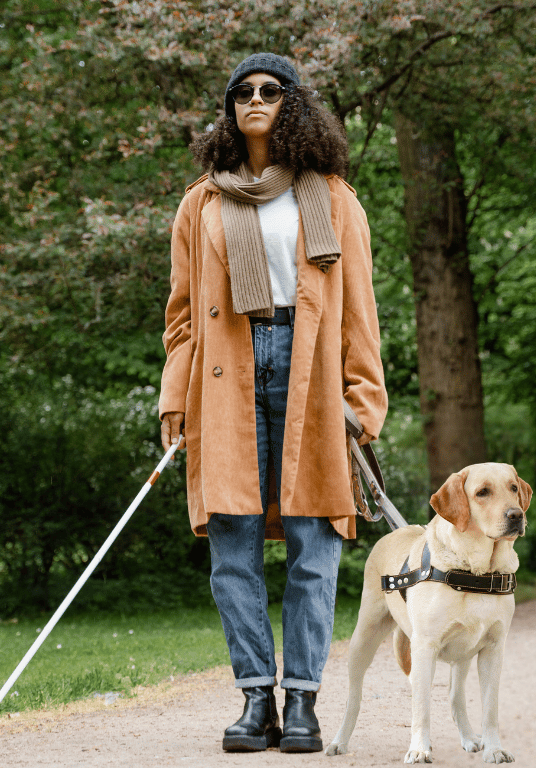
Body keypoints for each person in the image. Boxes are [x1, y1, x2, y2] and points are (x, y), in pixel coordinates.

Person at [158, 52, 387, 754]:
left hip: (312, 370)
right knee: (233, 540)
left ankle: (304, 703)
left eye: (270, 89)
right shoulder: (203, 201)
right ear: (229, 110)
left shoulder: (334, 197)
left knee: (316, 541)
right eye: (241, 92)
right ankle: (256, 697)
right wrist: (174, 396)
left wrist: (363, 397)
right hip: (226, 370)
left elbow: (359, 311)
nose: (254, 99)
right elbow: (183, 317)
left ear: (293, 104)